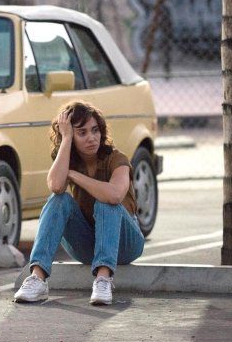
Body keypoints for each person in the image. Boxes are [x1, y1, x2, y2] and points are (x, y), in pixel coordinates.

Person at [14, 101, 145, 305]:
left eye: (95, 130)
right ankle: (38, 278)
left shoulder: (116, 158)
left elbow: (114, 196)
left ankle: (103, 280)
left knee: (105, 202)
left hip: (126, 243)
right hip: (88, 245)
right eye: (82, 133)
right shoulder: (68, 158)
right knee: (59, 200)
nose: (91, 137)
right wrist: (66, 139)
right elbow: (56, 186)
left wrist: (74, 175)